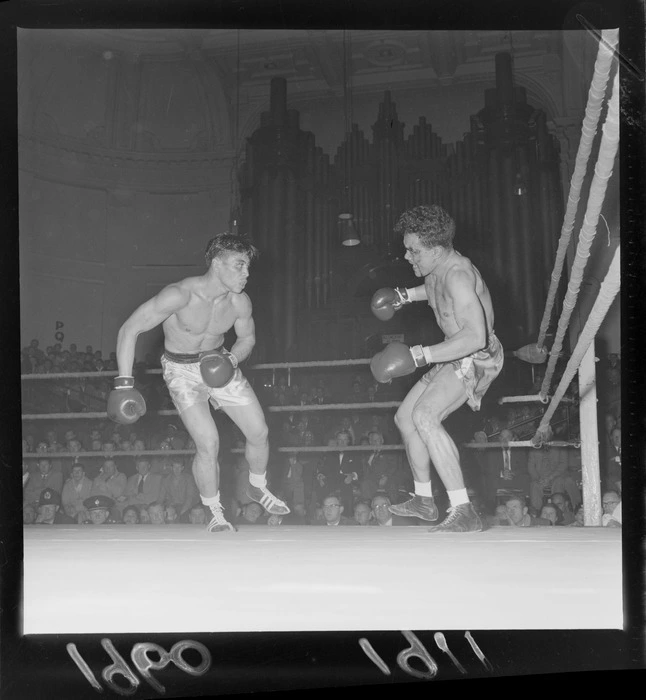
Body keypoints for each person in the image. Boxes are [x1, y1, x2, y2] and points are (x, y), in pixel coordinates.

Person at [110, 232, 289, 533]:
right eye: (239, 265)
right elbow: (130, 329)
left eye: (248, 267)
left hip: (219, 362)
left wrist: (231, 360)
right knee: (208, 442)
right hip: (181, 372)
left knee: (259, 431)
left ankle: (257, 486)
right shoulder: (180, 295)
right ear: (217, 263)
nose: (246, 273)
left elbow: (247, 338)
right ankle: (214, 511)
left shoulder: (239, 302)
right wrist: (124, 383)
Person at [370, 205, 503, 532]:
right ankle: (424, 500)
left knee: (425, 416)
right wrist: (403, 296)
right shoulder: (436, 269)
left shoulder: (458, 275)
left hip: (478, 357)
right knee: (405, 417)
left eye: (414, 251)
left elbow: (475, 336)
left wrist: (419, 356)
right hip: (452, 355)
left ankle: (463, 510)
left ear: (438, 249)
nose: (407, 256)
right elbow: (432, 290)